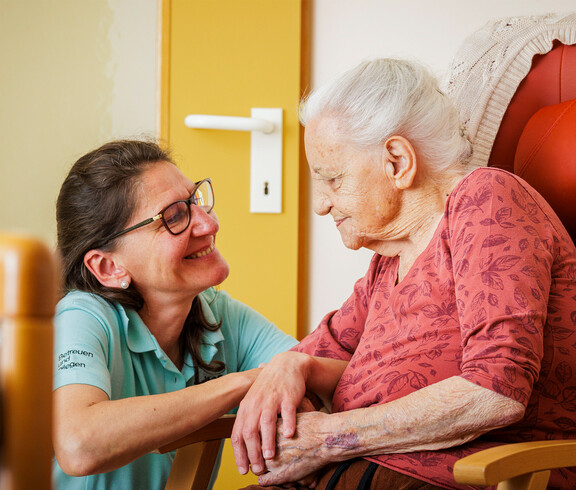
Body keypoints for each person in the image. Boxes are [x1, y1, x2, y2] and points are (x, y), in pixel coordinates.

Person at [230, 58, 576, 489]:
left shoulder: (485, 201)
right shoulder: (389, 261)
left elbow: (495, 391)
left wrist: (330, 439)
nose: (320, 204)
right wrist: (289, 365)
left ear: (396, 160)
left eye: (333, 180)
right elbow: (325, 353)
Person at [52, 139, 298, 489]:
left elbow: (321, 374)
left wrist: (288, 370)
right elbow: (79, 444)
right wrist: (247, 382)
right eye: (173, 217)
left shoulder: (219, 313)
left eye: (194, 201)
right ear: (108, 267)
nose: (208, 224)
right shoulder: (82, 317)